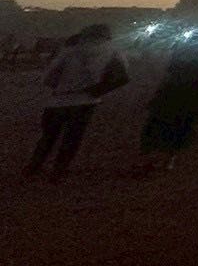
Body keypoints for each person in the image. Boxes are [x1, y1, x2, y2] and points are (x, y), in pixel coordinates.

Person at [25, 24, 130, 180]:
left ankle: (33, 168)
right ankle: (59, 171)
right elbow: (124, 76)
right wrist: (99, 89)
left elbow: (48, 78)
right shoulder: (113, 51)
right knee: (72, 138)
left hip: (58, 100)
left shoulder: (69, 51)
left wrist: (62, 87)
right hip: (87, 100)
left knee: (48, 137)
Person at [136, 37, 198, 172]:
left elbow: (167, 77)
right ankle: (169, 159)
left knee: (159, 126)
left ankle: (151, 157)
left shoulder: (180, 58)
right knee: (181, 129)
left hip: (171, 97)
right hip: (192, 100)